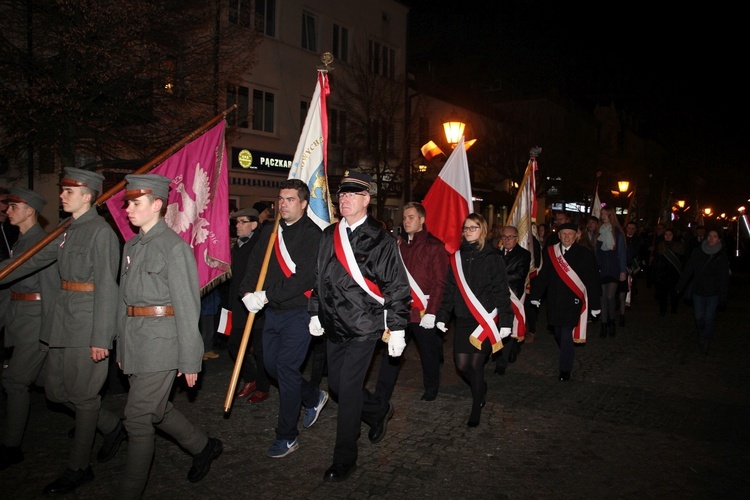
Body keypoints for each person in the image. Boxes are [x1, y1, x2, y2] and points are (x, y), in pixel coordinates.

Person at [0, 168, 124, 495]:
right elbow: (31, 260)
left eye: (70, 191)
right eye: (63, 190)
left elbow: (108, 289)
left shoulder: (100, 232)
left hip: (86, 324)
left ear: (88, 195)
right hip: (62, 322)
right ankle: (112, 426)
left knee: (83, 397)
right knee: (55, 391)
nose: (62, 195)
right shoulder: (66, 229)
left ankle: (78, 467)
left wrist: (101, 337)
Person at [115, 175, 222, 499]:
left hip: (162, 344)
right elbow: (125, 301)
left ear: (158, 204)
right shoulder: (131, 246)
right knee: (156, 411)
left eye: (136, 203)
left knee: (136, 419)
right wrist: (121, 343)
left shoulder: (174, 248)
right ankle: (203, 447)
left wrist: (190, 358)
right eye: (128, 202)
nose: (128, 209)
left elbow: (188, 306)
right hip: (135, 342)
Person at [308, 171, 411, 482]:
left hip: (364, 326)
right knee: (338, 387)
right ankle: (379, 410)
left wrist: (398, 327)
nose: (345, 199)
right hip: (334, 325)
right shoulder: (329, 235)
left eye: (353, 194)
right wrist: (315, 312)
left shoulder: (381, 239)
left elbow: (396, 286)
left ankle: (344, 458)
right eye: (342, 194)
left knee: (349, 391)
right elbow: (319, 278)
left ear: (366, 200)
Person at [241, 179, 328, 459]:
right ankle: (313, 396)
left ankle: (287, 436)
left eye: (290, 199)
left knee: (287, 370)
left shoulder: (313, 235)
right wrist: (246, 293)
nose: (283, 204)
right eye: (281, 199)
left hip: (298, 312)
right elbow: (254, 264)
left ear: (303, 203)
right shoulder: (270, 230)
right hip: (273, 313)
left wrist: (265, 296)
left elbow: (303, 277)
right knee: (271, 366)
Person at [0, 188, 59, 471]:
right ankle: (107, 426)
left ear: (29, 211)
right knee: (56, 388)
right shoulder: (22, 241)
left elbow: (49, 289)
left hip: (35, 322)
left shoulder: (41, 242)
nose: (8, 211)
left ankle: (11, 446)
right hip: (20, 319)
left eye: (13, 207)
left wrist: (47, 331)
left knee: (14, 382)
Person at [436, 213, 513, 427]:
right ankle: (481, 387)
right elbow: (449, 290)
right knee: (462, 365)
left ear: (483, 230)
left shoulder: (492, 257)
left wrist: (506, 321)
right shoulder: (457, 258)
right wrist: (443, 315)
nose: (468, 231)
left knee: (476, 365)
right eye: (466, 228)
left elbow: (501, 291)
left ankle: (477, 404)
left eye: (473, 227)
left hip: (484, 319)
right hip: (462, 318)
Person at [374, 201, 449, 402]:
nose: (406, 221)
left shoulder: (435, 246)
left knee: (428, 353)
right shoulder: (400, 247)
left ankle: (431, 388)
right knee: (391, 352)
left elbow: (440, 282)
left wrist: (433, 312)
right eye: (405, 217)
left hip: (424, 311)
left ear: (422, 220)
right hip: (401, 310)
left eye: (411, 217)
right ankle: (381, 395)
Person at [530, 222, 601, 381]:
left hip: (574, 302)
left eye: (570, 234)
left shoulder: (585, 254)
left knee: (566, 333)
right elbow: (544, 276)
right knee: (558, 332)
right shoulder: (550, 252)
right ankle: (567, 351)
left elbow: (592, 281)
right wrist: (535, 296)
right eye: (564, 234)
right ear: (559, 236)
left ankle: (565, 369)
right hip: (555, 300)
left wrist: (595, 305)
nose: (567, 237)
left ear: (576, 236)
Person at [227, 207, 271, 403]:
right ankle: (251, 377)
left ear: (254, 224)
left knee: (260, 349)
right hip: (238, 305)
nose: (237, 225)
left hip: (256, 305)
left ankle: (262, 386)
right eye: (236, 222)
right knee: (234, 345)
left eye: (242, 222)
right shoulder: (239, 245)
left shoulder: (259, 244)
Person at [676, 229, 730, 355]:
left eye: (715, 236)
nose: (711, 238)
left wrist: (723, 295)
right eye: (710, 236)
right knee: (699, 317)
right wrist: (680, 286)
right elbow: (689, 269)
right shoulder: (697, 252)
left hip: (713, 292)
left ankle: (706, 339)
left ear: (719, 240)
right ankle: (703, 333)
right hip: (698, 290)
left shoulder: (722, 255)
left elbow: (724, 278)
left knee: (709, 317)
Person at [494, 225, 531, 375]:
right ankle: (505, 350)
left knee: (507, 326)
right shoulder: (495, 253)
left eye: (510, 237)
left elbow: (519, 274)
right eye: (504, 236)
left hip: (513, 295)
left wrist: (497, 278)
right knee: (496, 326)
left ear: (516, 239)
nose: (507, 240)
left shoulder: (524, 254)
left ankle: (501, 364)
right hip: (495, 295)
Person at [594, 206, 627, 337]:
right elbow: (596, 251)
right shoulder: (599, 231)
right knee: (602, 297)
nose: (603, 216)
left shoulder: (617, 232)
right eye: (601, 214)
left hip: (613, 268)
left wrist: (622, 270)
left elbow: (621, 252)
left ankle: (611, 321)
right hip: (602, 268)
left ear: (611, 215)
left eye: (605, 214)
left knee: (610, 296)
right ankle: (603, 324)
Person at [653, 228, 684, 316]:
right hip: (663, 274)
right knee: (663, 294)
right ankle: (663, 310)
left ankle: (674, 309)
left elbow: (681, 260)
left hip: (674, 274)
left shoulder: (678, 246)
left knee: (674, 294)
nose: (667, 236)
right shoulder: (661, 246)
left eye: (670, 234)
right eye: (666, 234)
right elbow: (657, 260)